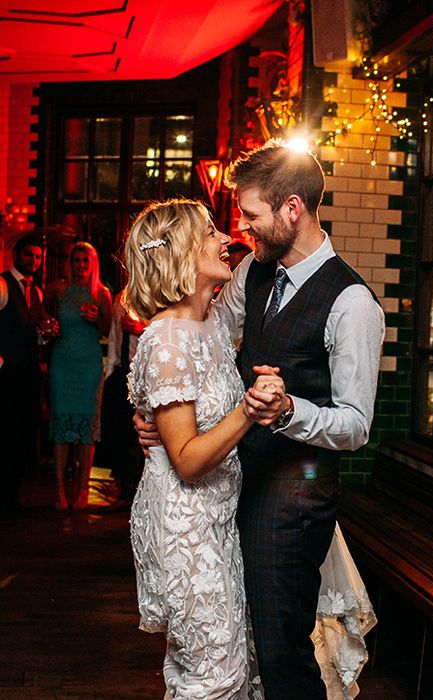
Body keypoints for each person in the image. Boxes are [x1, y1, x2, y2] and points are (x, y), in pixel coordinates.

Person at [136, 140, 385, 699]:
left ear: (291, 209)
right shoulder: (253, 270)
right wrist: (158, 413)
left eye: (250, 215)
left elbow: (355, 425)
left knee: (280, 652)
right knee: (243, 646)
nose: (242, 229)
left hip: (293, 503)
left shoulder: (353, 304)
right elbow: (201, 346)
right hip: (230, 489)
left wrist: (290, 410)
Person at [124, 198, 282, 698]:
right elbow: (188, 461)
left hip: (217, 519)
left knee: (222, 663)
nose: (225, 239)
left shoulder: (213, 320)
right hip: (183, 527)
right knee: (215, 675)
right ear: (180, 253)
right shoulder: (168, 341)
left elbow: (261, 254)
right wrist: (249, 411)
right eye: (211, 232)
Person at [47, 241, 112, 510]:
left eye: (86, 261)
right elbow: (44, 318)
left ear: (93, 264)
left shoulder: (101, 293)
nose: (81, 266)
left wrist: (95, 318)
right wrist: (48, 328)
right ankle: (61, 491)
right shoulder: (58, 289)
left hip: (88, 364)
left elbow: (109, 329)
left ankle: (83, 489)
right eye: (77, 261)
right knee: (61, 425)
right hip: (62, 363)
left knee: (86, 427)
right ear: (70, 263)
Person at [0, 235, 50, 521]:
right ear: (17, 255)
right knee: (5, 434)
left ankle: (13, 495)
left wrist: (43, 336)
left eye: (38, 257)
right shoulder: (4, 285)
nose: (34, 261)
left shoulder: (37, 292)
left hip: (29, 373)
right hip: (7, 374)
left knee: (23, 434)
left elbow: (33, 334)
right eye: (29, 255)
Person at [99, 289, 147, 509]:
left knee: (141, 435)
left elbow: (170, 331)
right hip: (121, 371)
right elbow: (114, 336)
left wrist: (141, 329)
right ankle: (126, 489)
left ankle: (139, 492)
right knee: (119, 431)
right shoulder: (121, 297)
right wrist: (110, 370)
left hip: (143, 372)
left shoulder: (153, 292)